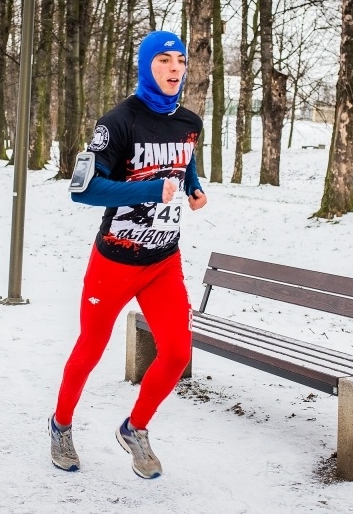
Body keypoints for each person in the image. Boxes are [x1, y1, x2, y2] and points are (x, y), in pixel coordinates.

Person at [49, 30, 208, 479]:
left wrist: (193, 187)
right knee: (90, 350)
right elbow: (83, 190)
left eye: (179, 61)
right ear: (146, 66)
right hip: (115, 261)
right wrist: (150, 188)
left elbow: (184, 160)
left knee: (177, 353)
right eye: (164, 61)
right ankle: (61, 425)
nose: (175, 69)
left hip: (163, 262)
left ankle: (134, 428)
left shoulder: (190, 122)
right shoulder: (118, 121)